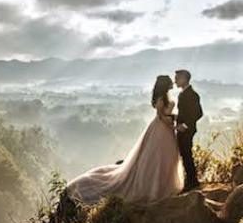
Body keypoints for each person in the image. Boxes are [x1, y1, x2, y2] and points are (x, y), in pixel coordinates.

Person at [66, 75, 184, 205]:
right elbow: (161, 116)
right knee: (160, 158)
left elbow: (166, 115)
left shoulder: (165, 96)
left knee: (166, 157)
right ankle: (157, 188)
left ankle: (162, 185)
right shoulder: (162, 98)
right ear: (165, 84)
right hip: (161, 130)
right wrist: (174, 119)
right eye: (170, 81)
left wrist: (173, 119)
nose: (172, 82)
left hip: (165, 129)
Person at [174, 69, 203, 192]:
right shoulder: (181, 94)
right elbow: (183, 112)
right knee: (184, 154)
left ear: (184, 79)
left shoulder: (193, 95)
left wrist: (184, 125)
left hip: (188, 130)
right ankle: (191, 180)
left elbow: (198, 113)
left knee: (187, 154)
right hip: (181, 130)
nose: (175, 80)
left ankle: (192, 182)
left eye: (177, 78)